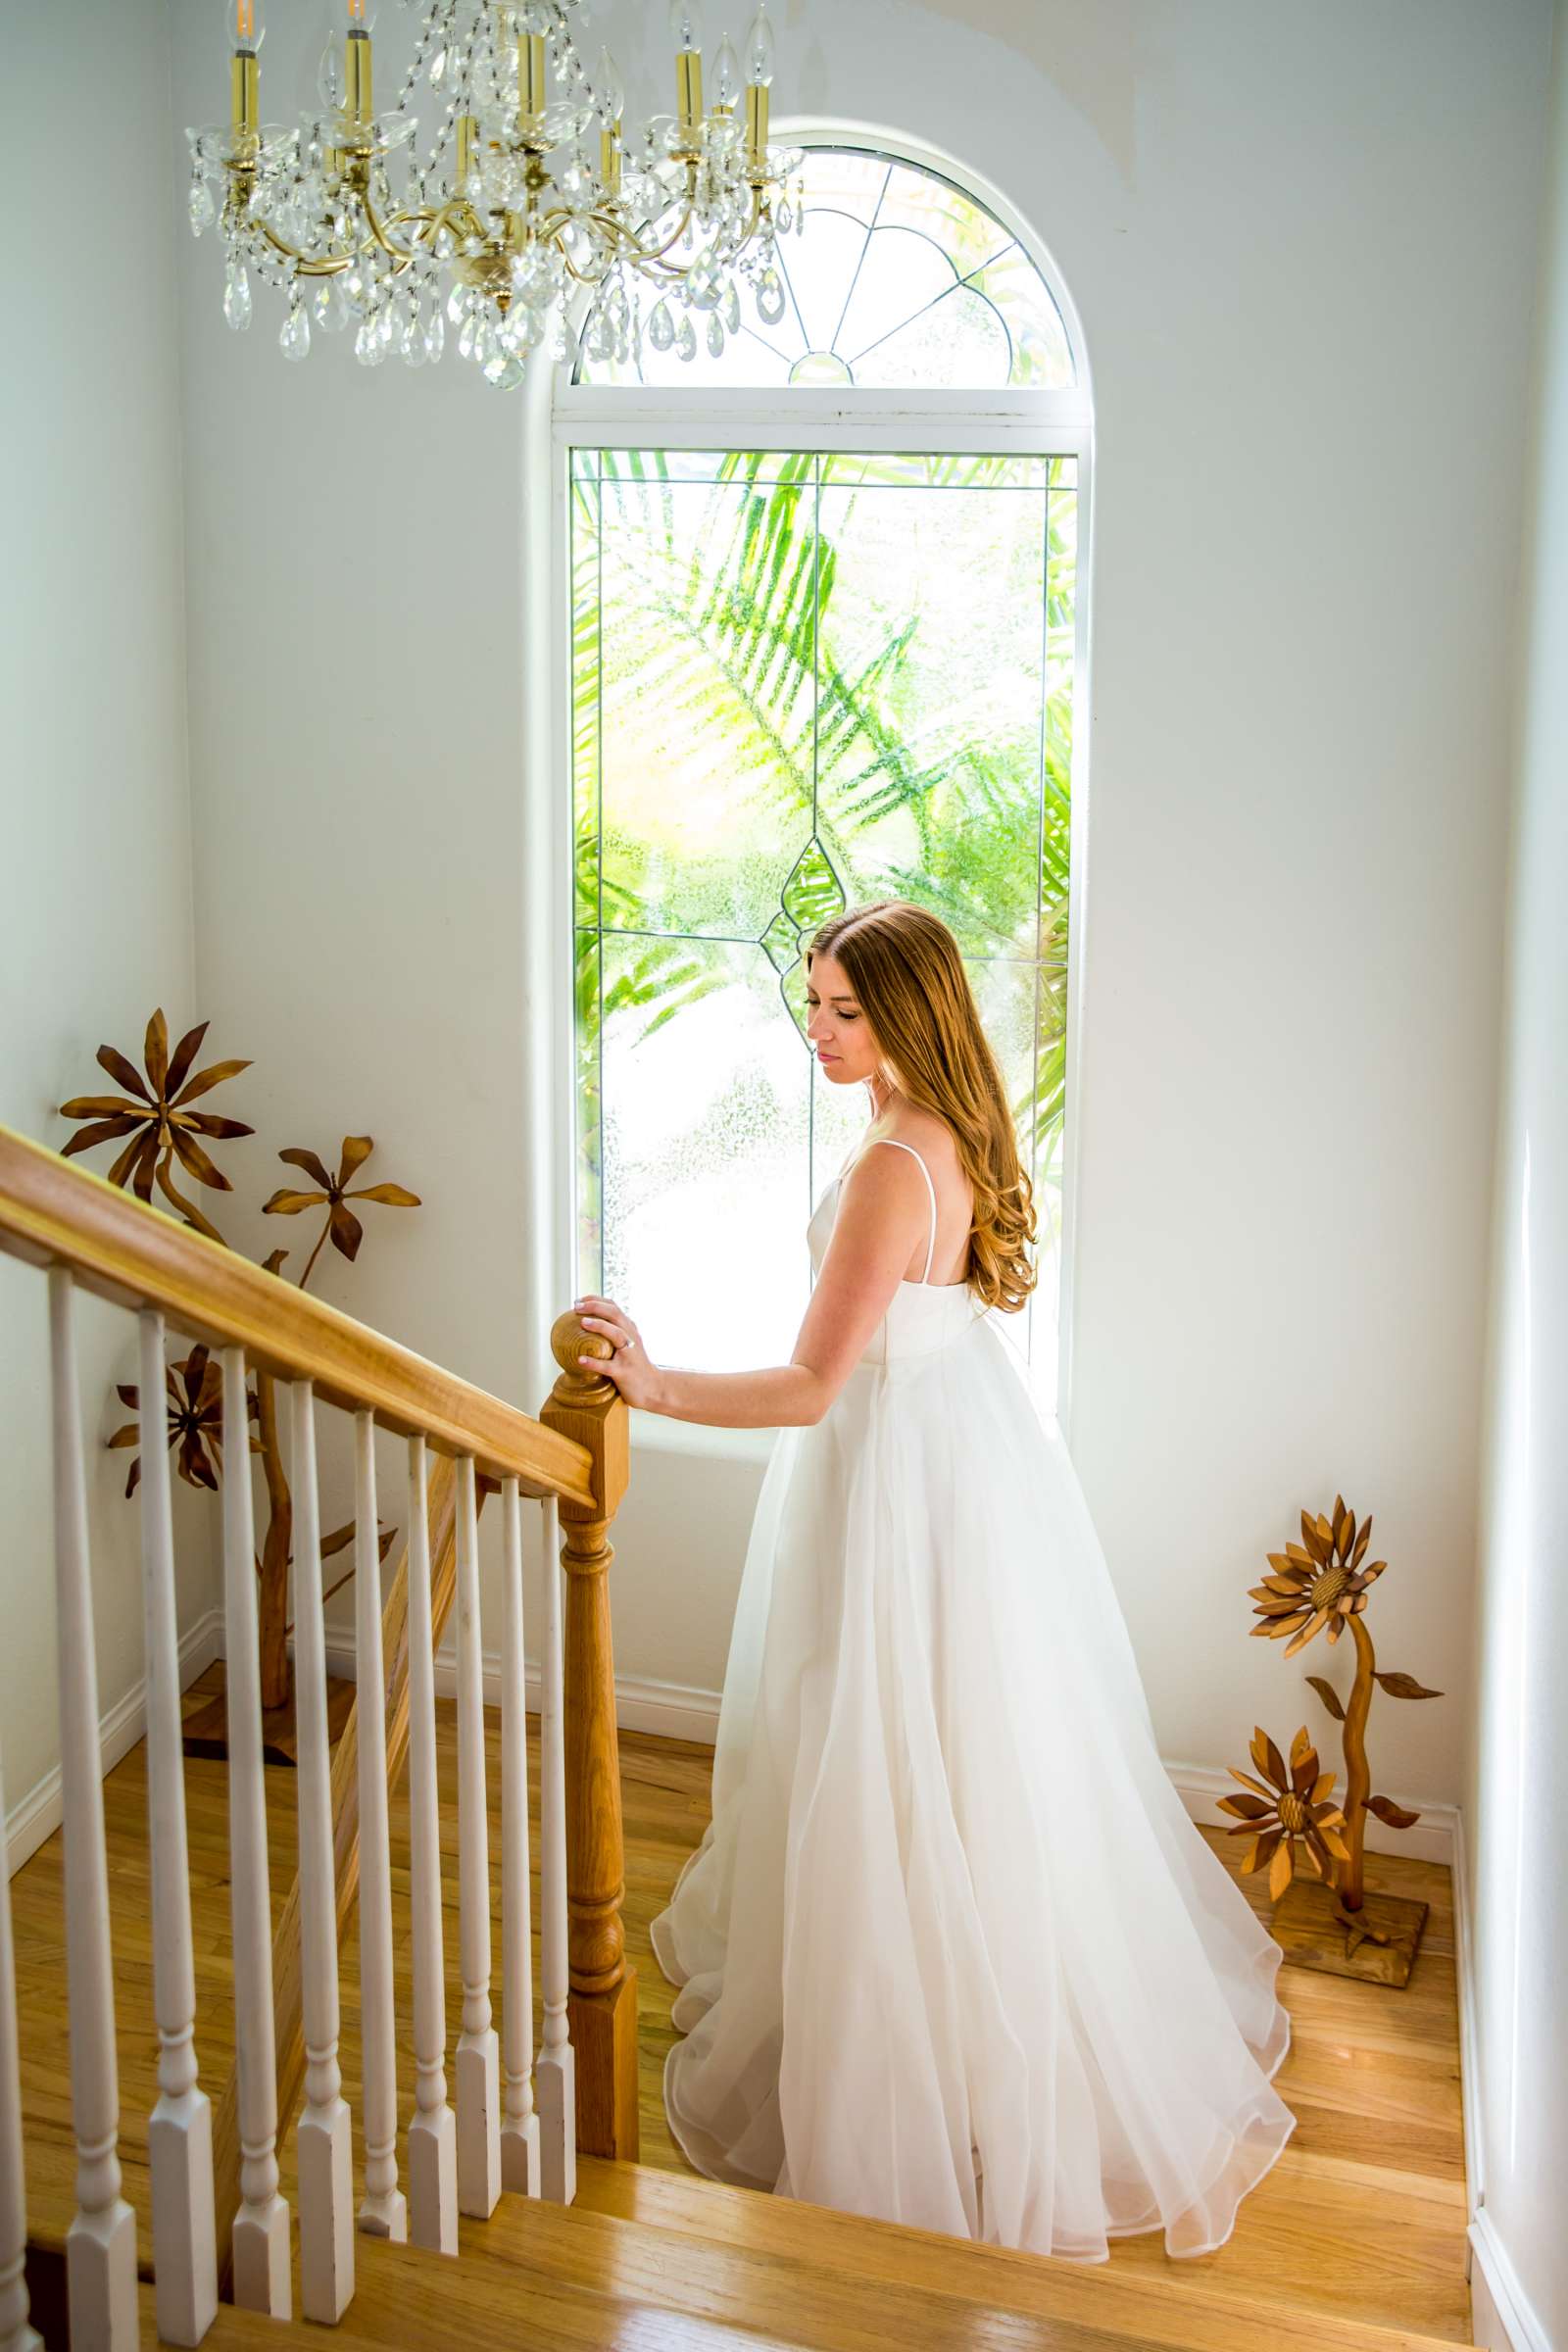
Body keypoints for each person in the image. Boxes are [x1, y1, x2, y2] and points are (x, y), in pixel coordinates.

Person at [572, 898, 1294, 2262]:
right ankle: (974, 2035)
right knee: (969, 1753)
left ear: (909, 1013)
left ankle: (916, 2065)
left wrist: (655, 1382)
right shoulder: (946, 1131)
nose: (818, 1030)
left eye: (845, 1009)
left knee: (887, 1749)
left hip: (899, 1477)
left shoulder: (890, 1171)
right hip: (963, 1458)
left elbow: (804, 1387)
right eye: (815, 1003)